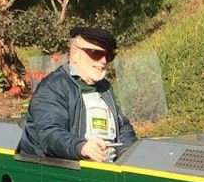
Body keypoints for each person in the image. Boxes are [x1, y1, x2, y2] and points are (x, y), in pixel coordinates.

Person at [17, 26, 137, 162]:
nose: (103, 61)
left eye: (108, 56)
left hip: (106, 171)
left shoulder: (105, 87)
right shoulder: (53, 86)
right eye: (96, 53)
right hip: (63, 173)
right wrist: (82, 147)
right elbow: (49, 134)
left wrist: (128, 153)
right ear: (75, 54)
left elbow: (122, 126)